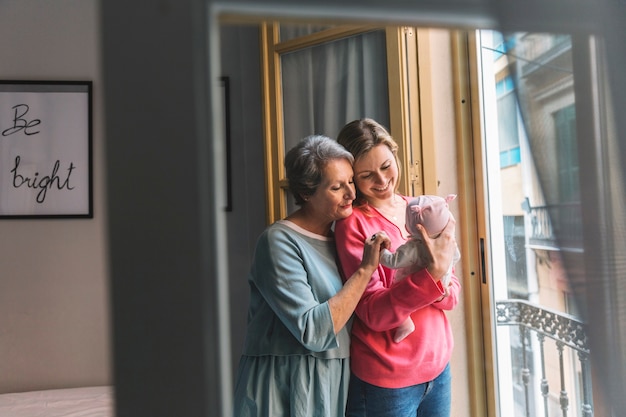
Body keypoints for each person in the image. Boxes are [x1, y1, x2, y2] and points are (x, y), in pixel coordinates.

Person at [232, 134, 391, 417]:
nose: (351, 194)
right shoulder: (278, 242)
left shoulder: (341, 238)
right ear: (306, 193)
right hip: (283, 384)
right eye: (336, 187)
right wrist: (366, 270)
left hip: (335, 378)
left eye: (351, 181)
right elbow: (313, 332)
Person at [334, 118, 460, 417]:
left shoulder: (422, 209)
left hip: (438, 367)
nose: (381, 180)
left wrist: (439, 280)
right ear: (353, 179)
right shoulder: (354, 225)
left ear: (395, 153)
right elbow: (373, 312)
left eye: (386, 166)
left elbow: (452, 295)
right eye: (366, 175)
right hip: (388, 380)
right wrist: (431, 277)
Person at [379, 194, 461, 343]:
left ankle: (405, 323)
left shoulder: (414, 247)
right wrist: (445, 275)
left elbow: (393, 261)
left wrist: (380, 252)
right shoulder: (447, 243)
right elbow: (456, 257)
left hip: (418, 289)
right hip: (442, 284)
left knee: (401, 293)